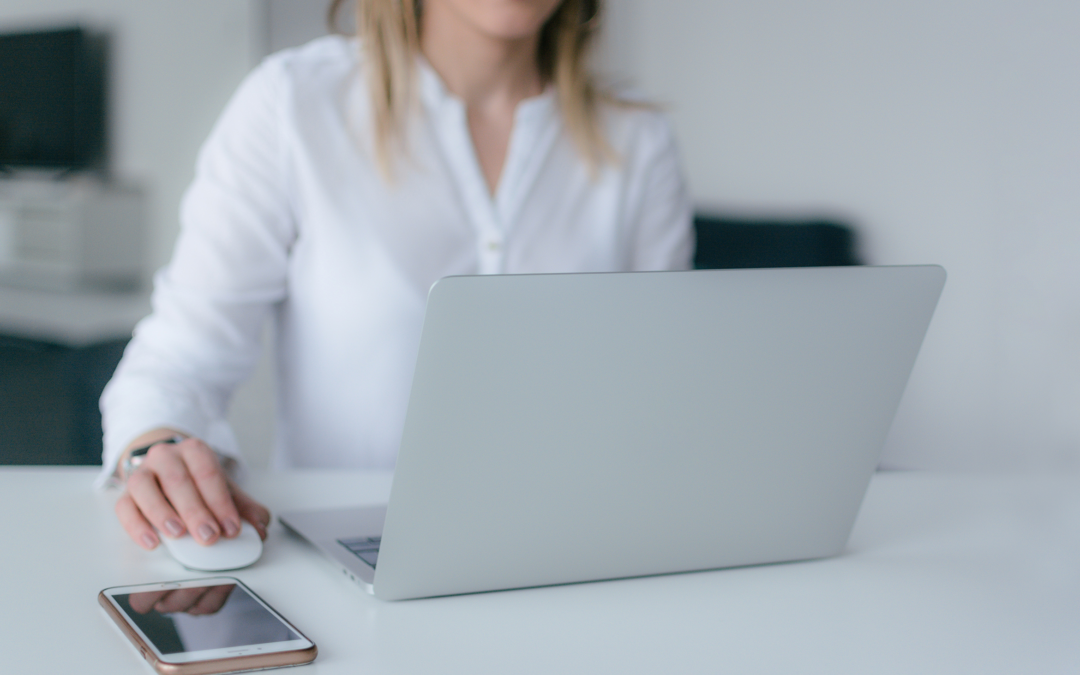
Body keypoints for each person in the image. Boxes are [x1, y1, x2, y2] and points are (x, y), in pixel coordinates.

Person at [99, 0, 693, 552]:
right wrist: (156, 449)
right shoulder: (294, 106)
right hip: (352, 556)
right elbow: (179, 361)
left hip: (576, 552)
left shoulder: (637, 141)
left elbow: (662, 396)